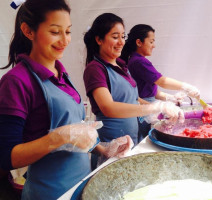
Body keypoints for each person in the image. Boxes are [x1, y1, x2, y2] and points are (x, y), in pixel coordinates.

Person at [0, 1, 132, 199]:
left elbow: (73, 127)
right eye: (55, 32)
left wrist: (102, 148)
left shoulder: (61, 74)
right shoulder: (16, 82)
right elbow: (7, 157)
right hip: (50, 192)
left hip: (81, 183)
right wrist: (58, 137)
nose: (64, 40)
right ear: (28, 31)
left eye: (68, 31)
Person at [83, 13, 184, 164]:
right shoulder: (95, 68)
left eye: (123, 36)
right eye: (115, 36)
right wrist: (153, 108)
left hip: (131, 140)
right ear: (99, 39)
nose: (121, 42)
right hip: (111, 146)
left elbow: (133, 99)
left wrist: (158, 109)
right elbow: (108, 107)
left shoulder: (122, 66)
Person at [121, 24, 200, 104]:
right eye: (151, 42)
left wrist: (171, 98)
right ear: (139, 42)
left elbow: (152, 92)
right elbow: (162, 82)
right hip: (145, 105)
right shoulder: (139, 62)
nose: (154, 46)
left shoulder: (135, 60)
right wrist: (186, 87)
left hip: (147, 102)